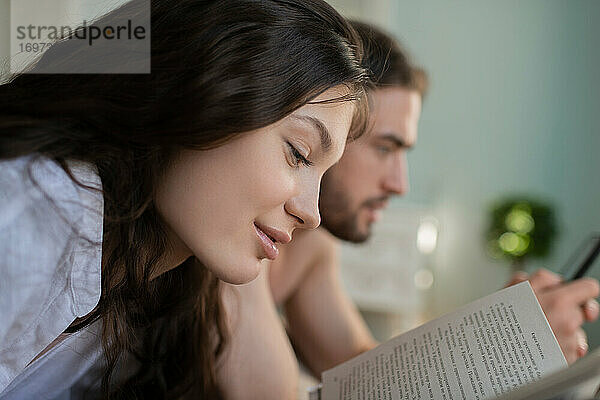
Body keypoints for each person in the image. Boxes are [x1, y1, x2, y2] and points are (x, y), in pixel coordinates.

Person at [0, 1, 370, 398]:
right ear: (203, 92)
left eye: (322, 175)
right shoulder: (35, 207)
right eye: (298, 152)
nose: (312, 214)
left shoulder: (154, 279)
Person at [217, 20, 600, 399]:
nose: (399, 184)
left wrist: (487, 331)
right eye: (385, 148)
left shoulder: (310, 247)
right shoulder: (221, 235)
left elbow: (357, 372)